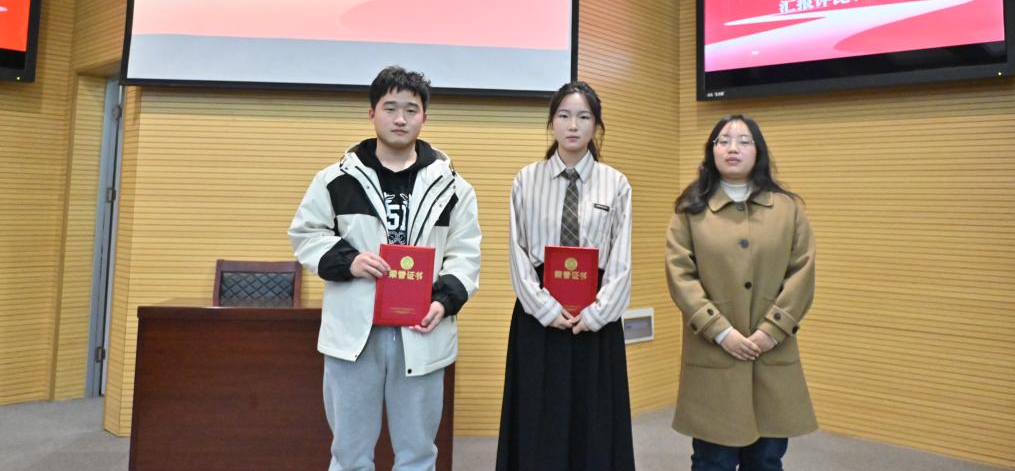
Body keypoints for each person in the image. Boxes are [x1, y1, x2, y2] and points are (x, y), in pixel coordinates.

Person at [289, 66, 482, 471]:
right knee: (349, 453)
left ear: (424, 117)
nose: (400, 119)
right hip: (355, 334)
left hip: (421, 328)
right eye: (390, 108)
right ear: (372, 113)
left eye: (410, 110)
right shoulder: (335, 179)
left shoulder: (453, 186)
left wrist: (443, 302)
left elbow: (465, 254)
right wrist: (350, 260)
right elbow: (306, 234)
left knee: (417, 452)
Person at [496, 81, 635, 471]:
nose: (573, 125)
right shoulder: (526, 179)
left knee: (595, 417)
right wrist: (543, 308)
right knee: (538, 414)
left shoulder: (616, 183)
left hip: (596, 315)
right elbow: (518, 253)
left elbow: (621, 258)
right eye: (564, 116)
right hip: (538, 314)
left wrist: (597, 313)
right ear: (552, 122)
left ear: (596, 125)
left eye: (584, 117)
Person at [665, 114, 816, 471]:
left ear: (758, 151)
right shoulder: (690, 210)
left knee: (766, 459)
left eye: (744, 141)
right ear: (712, 151)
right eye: (724, 140)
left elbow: (802, 272)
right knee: (712, 460)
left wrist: (771, 331)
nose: (733, 148)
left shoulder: (788, 209)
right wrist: (720, 331)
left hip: (771, 352)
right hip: (713, 352)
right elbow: (680, 275)